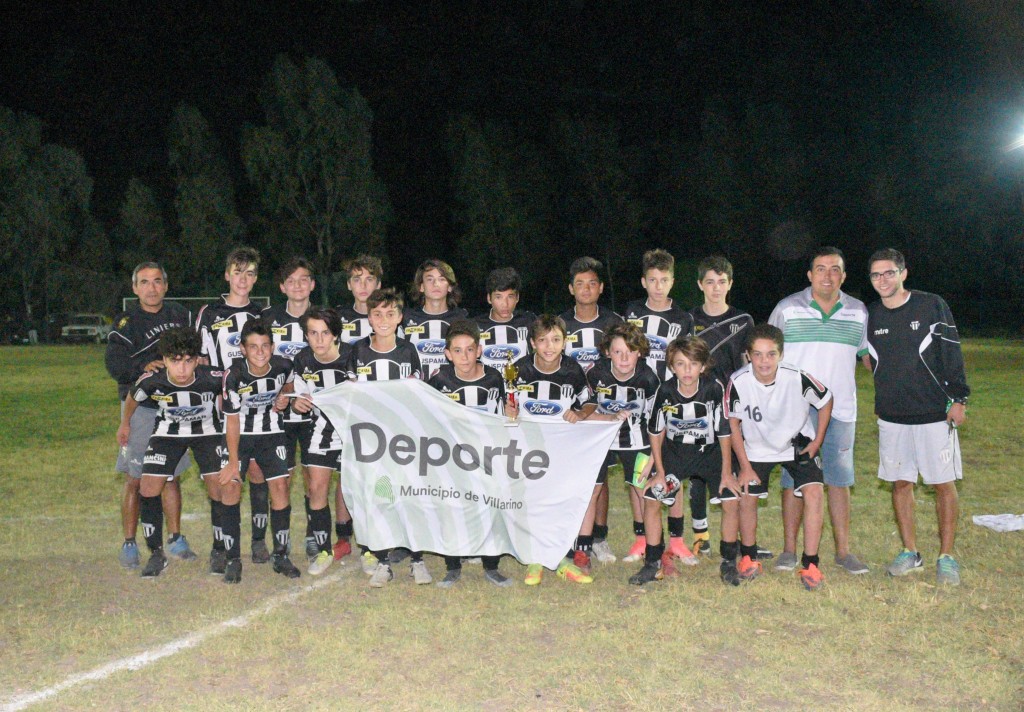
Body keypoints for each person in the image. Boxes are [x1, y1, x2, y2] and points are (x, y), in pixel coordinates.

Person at [865, 248, 969, 585]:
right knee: (900, 483)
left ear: (903, 273)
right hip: (892, 415)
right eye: (876, 275)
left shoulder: (931, 305)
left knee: (942, 484)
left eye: (889, 273)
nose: (883, 280)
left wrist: (958, 399)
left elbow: (951, 351)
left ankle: (946, 556)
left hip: (934, 413)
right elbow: (868, 357)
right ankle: (910, 551)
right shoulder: (871, 315)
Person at [768, 247, 870, 575]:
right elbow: (766, 354)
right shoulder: (787, 309)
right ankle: (788, 550)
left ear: (844, 276)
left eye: (835, 269)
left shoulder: (858, 312)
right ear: (810, 275)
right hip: (796, 410)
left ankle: (843, 552)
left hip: (841, 410)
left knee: (839, 480)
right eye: (821, 268)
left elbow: (867, 357)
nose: (828, 275)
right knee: (792, 480)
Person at [726, 324, 833, 590]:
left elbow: (826, 399)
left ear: (781, 354)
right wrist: (745, 466)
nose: (765, 361)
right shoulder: (738, 381)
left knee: (814, 493)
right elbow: (733, 425)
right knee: (747, 495)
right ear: (748, 355)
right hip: (756, 447)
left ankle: (811, 564)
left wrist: (817, 440)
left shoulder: (797, 377)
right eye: (758, 354)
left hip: (796, 443)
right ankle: (749, 557)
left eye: (771, 354)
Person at [105, 262, 194, 568]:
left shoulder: (180, 315)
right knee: (135, 478)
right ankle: (130, 543)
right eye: (144, 282)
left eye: (157, 281)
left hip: (174, 407)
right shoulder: (126, 323)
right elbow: (114, 365)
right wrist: (142, 367)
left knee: (171, 476)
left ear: (166, 286)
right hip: (140, 407)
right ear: (135, 288)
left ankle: (176, 538)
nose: (152, 288)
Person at [116, 327, 225, 577]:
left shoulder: (213, 377)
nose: (182, 369)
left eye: (188, 361)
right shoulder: (152, 380)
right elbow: (133, 397)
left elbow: (235, 392)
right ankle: (156, 554)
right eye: (175, 361)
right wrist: (125, 423)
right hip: (168, 434)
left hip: (206, 433)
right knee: (148, 487)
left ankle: (219, 550)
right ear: (164, 360)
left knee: (218, 487)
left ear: (197, 360)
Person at [631, 336, 739, 585]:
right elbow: (655, 432)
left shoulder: (713, 388)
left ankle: (728, 562)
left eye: (693, 364)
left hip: (709, 454)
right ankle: (652, 563)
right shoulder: (665, 391)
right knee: (652, 498)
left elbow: (724, 431)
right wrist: (659, 472)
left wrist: (726, 472)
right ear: (672, 366)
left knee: (731, 499)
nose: (687, 370)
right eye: (680, 364)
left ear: (703, 366)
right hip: (676, 455)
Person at [348, 287, 431, 587]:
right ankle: (383, 562)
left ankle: (417, 559)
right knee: (380, 497)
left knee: (409, 496)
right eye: (377, 314)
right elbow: (351, 396)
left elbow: (417, 395)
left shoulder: (408, 351)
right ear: (369, 318)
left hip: (404, 438)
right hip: (372, 440)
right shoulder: (358, 351)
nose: (383, 320)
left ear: (400, 318)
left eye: (390, 314)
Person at [195, 247, 272, 564]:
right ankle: (220, 545)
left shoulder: (262, 315)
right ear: (227, 275)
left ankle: (258, 541)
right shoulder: (208, 313)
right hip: (219, 409)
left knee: (256, 472)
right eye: (238, 272)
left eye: (250, 273)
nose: (243, 279)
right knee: (221, 477)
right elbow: (200, 361)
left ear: (256, 279)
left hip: (255, 409)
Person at [511, 314, 597, 586]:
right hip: (529, 447)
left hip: (562, 447)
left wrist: (579, 413)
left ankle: (562, 558)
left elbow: (590, 401)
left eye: (556, 340)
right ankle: (535, 560)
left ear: (564, 342)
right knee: (534, 501)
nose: (549, 346)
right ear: (532, 343)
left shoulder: (572, 370)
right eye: (543, 340)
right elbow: (506, 402)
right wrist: (509, 411)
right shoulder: (518, 369)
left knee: (560, 500)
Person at [427, 319, 514, 588]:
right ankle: (452, 566)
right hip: (451, 456)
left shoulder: (493, 377)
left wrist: (510, 416)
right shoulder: (439, 379)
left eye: (469, 350)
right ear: (447, 354)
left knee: (490, 507)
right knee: (451, 507)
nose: (464, 356)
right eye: (457, 350)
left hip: (487, 455)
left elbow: (503, 416)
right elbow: (427, 415)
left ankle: (491, 566)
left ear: (479, 351)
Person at [217, 319, 297, 583]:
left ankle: (281, 555)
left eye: (265, 346)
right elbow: (231, 420)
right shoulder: (234, 375)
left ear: (272, 347)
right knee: (231, 486)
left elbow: (288, 386)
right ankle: (232, 559)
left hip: (271, 430)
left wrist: (284, 399)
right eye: (253, 346)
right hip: (239, 432)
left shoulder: (284, 366)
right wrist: (232, 462)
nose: (260, 352)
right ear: (242, 349)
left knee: (281, 487)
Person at [688, 255, 756, 558]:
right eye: (710, 282)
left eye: (722, 282)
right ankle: (700, 534)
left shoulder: (743, 320)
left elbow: (747, 362)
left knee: (737, 467)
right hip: (699, 404)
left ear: (730, 284)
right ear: (700, 284)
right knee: (698, 469)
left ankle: (741, 537)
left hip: (732, 405)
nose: (716, 288)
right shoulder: (689, 320)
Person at [276, 307, 353, 576]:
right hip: (322, 429)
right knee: (316, 487)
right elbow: (300, 397)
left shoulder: (353, 356)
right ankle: (323, 550)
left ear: (335, 335)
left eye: (325, 333)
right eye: (313, 333)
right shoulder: (303, 359)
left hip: (354, 431)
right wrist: (296, 403)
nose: (319, 339)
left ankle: (368, 549)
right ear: (306, 335)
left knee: (358, 489)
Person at [560, 257, 624, 564]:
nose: (586, 289)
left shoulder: (614, 323)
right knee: (568, 474)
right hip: (570, 410)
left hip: (603, 408)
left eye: (592, 283)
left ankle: (599, 536)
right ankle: (569, 534)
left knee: (602, 475)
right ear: (571, 289)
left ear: (600, 288)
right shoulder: (560, 323)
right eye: (580, 284)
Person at [585, 322, 662, 569]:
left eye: (630, 351)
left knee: (641, 488)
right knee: (592, 490)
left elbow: (657, 421)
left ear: (640, 352)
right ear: (607, 352)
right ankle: (584, 544)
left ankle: (646, 543)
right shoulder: (595, 374)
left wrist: (654, 457)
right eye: (618, 352)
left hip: (636, 439)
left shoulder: (648, 378)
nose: (624, 358)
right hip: (600, 438)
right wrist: (607, 418)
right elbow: (583, 411)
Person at [261, 258, 317, 560]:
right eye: (291, 280)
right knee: (279, 478)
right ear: (282, 287)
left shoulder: (322, 318)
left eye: (303, 279)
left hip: (313, 411)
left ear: (312, 284)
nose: (298, 285)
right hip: (278, 412)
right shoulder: (267, 318)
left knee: (312, 476)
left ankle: (312, 535)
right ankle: (279, 542)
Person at [623, 249, 694, 382]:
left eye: (664, 280)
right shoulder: (631, 311)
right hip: (635, 387)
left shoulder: (684, 319)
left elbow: (688, 360)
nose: (659, 286)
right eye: (652, 280)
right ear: (644, 282)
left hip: (668, 389)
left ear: (672, 282)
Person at [400, 259, 468, 380]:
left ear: (450, 287)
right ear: (421, 286)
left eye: (442, 279)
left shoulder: (462, 318)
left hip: (451, 389)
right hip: (416, 388)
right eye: (430, 279)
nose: (436, 284)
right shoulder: (405, 318)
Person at [474, 267, 536, 372]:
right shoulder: (475, 325)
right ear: (489, 298)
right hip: (488, 382)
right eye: (498, 297)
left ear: (517, 298)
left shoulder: (529, 321)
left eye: (510, 297)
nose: (505, 304)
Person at [337, 254, 383, 345]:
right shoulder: (337, 316)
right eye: (357, 280)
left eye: (369, 279)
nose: (363, 285)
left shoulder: (390, 317)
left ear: (378, 285)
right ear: (349, 285)